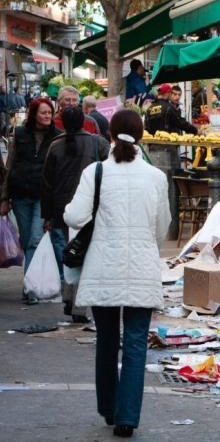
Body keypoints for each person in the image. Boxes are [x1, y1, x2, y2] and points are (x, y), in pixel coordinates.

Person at [63, 109, 170, 438]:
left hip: (103, 268)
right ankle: (127, 418)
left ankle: (108, 408)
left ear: (110, 135)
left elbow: (74, 216)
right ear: (140, 136)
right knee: (136, 343)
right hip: (141, 269)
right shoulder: (156, 177)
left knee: (107, 339)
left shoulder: (95, 173)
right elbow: (162, 228)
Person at [41, 106, 110, 322]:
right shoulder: (98, 143)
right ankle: (80, 305)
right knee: (85, 256)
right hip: (91, 210)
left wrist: (48, 215)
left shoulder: (55, 146)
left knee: (68, 257)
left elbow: (47, 183)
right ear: (83, 121)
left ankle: (70, 300)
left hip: (62, 210)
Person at [0, 98, 62, 304]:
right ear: (34, 113)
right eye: (43, 112)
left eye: (49, 113)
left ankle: (30, 288)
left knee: (35, 240)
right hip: (20, 194)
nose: (47, 116)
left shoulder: (57, 137)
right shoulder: (20, 134)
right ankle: (31, 282)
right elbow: (10, 165)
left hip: (43, 196)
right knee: (26, 240)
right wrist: (4, 197)